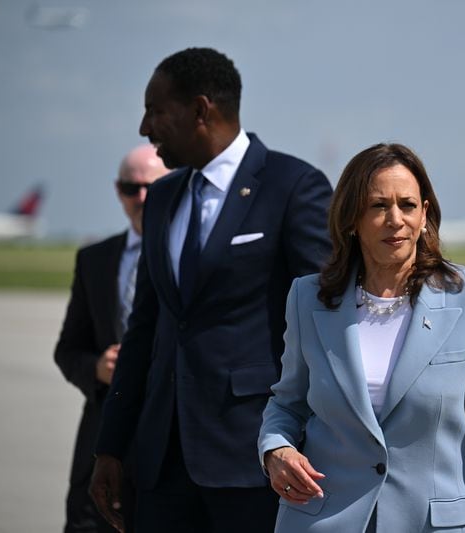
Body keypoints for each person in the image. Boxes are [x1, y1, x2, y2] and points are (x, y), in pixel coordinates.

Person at [88, 47, 332, 533]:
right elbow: (144, 331)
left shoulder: (293, 187)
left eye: (156, 110)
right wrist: (110, 446)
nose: (145, 127)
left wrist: (310, 441)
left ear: (201, 110)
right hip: (161, 464)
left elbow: (326, 324)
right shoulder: (162, 197)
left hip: (255, 461)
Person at [258, 143, 465, 532]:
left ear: (425, 214)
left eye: (407, 205)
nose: (395, 220)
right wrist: (276, 449)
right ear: (352, 218)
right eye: (377, 206)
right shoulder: (307, 298)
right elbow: (287, 405)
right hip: (324, 521)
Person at [55, 144, 169, 532]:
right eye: (129, 187)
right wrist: (97, 369)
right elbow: (68, 349)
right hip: (103, 438)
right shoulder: (95, 259)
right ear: (117, 191)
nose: (140, 197)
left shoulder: (191, 256)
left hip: (171, 444)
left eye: (151, 187)